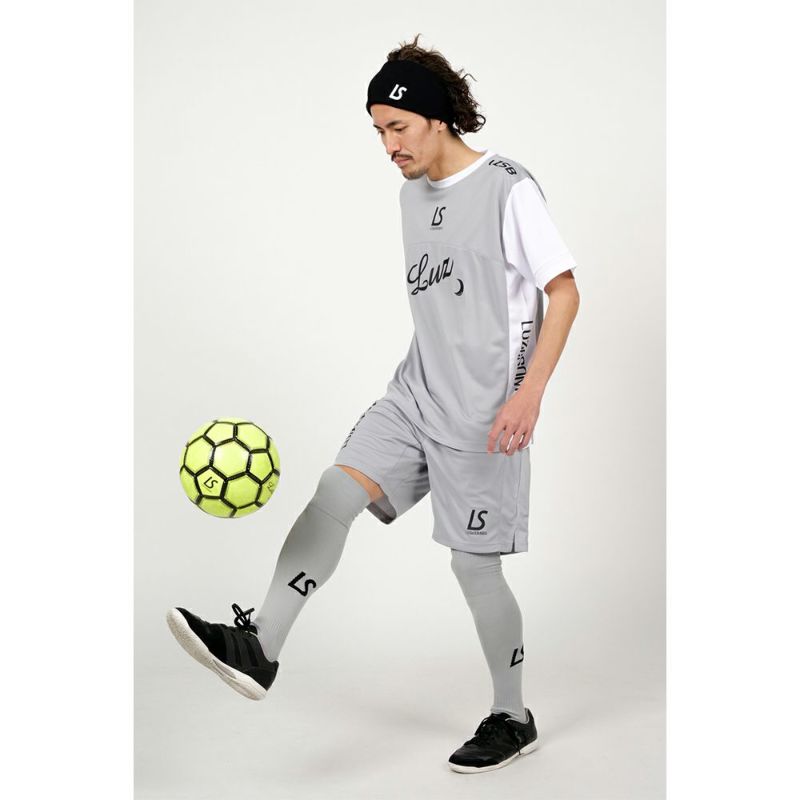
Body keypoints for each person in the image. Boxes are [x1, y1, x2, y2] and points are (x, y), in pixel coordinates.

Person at [166, 33, 580, 774]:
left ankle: (512, 716)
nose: (389, 145)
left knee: (474, 570)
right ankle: (261, 646)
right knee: (334, 491)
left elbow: (564, 292)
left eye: (398, 127)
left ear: (438, 117)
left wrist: (529, 395)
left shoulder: (508, 188)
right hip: (414, 396)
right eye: (378, 131)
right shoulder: (411, 194)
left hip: (486, 421)